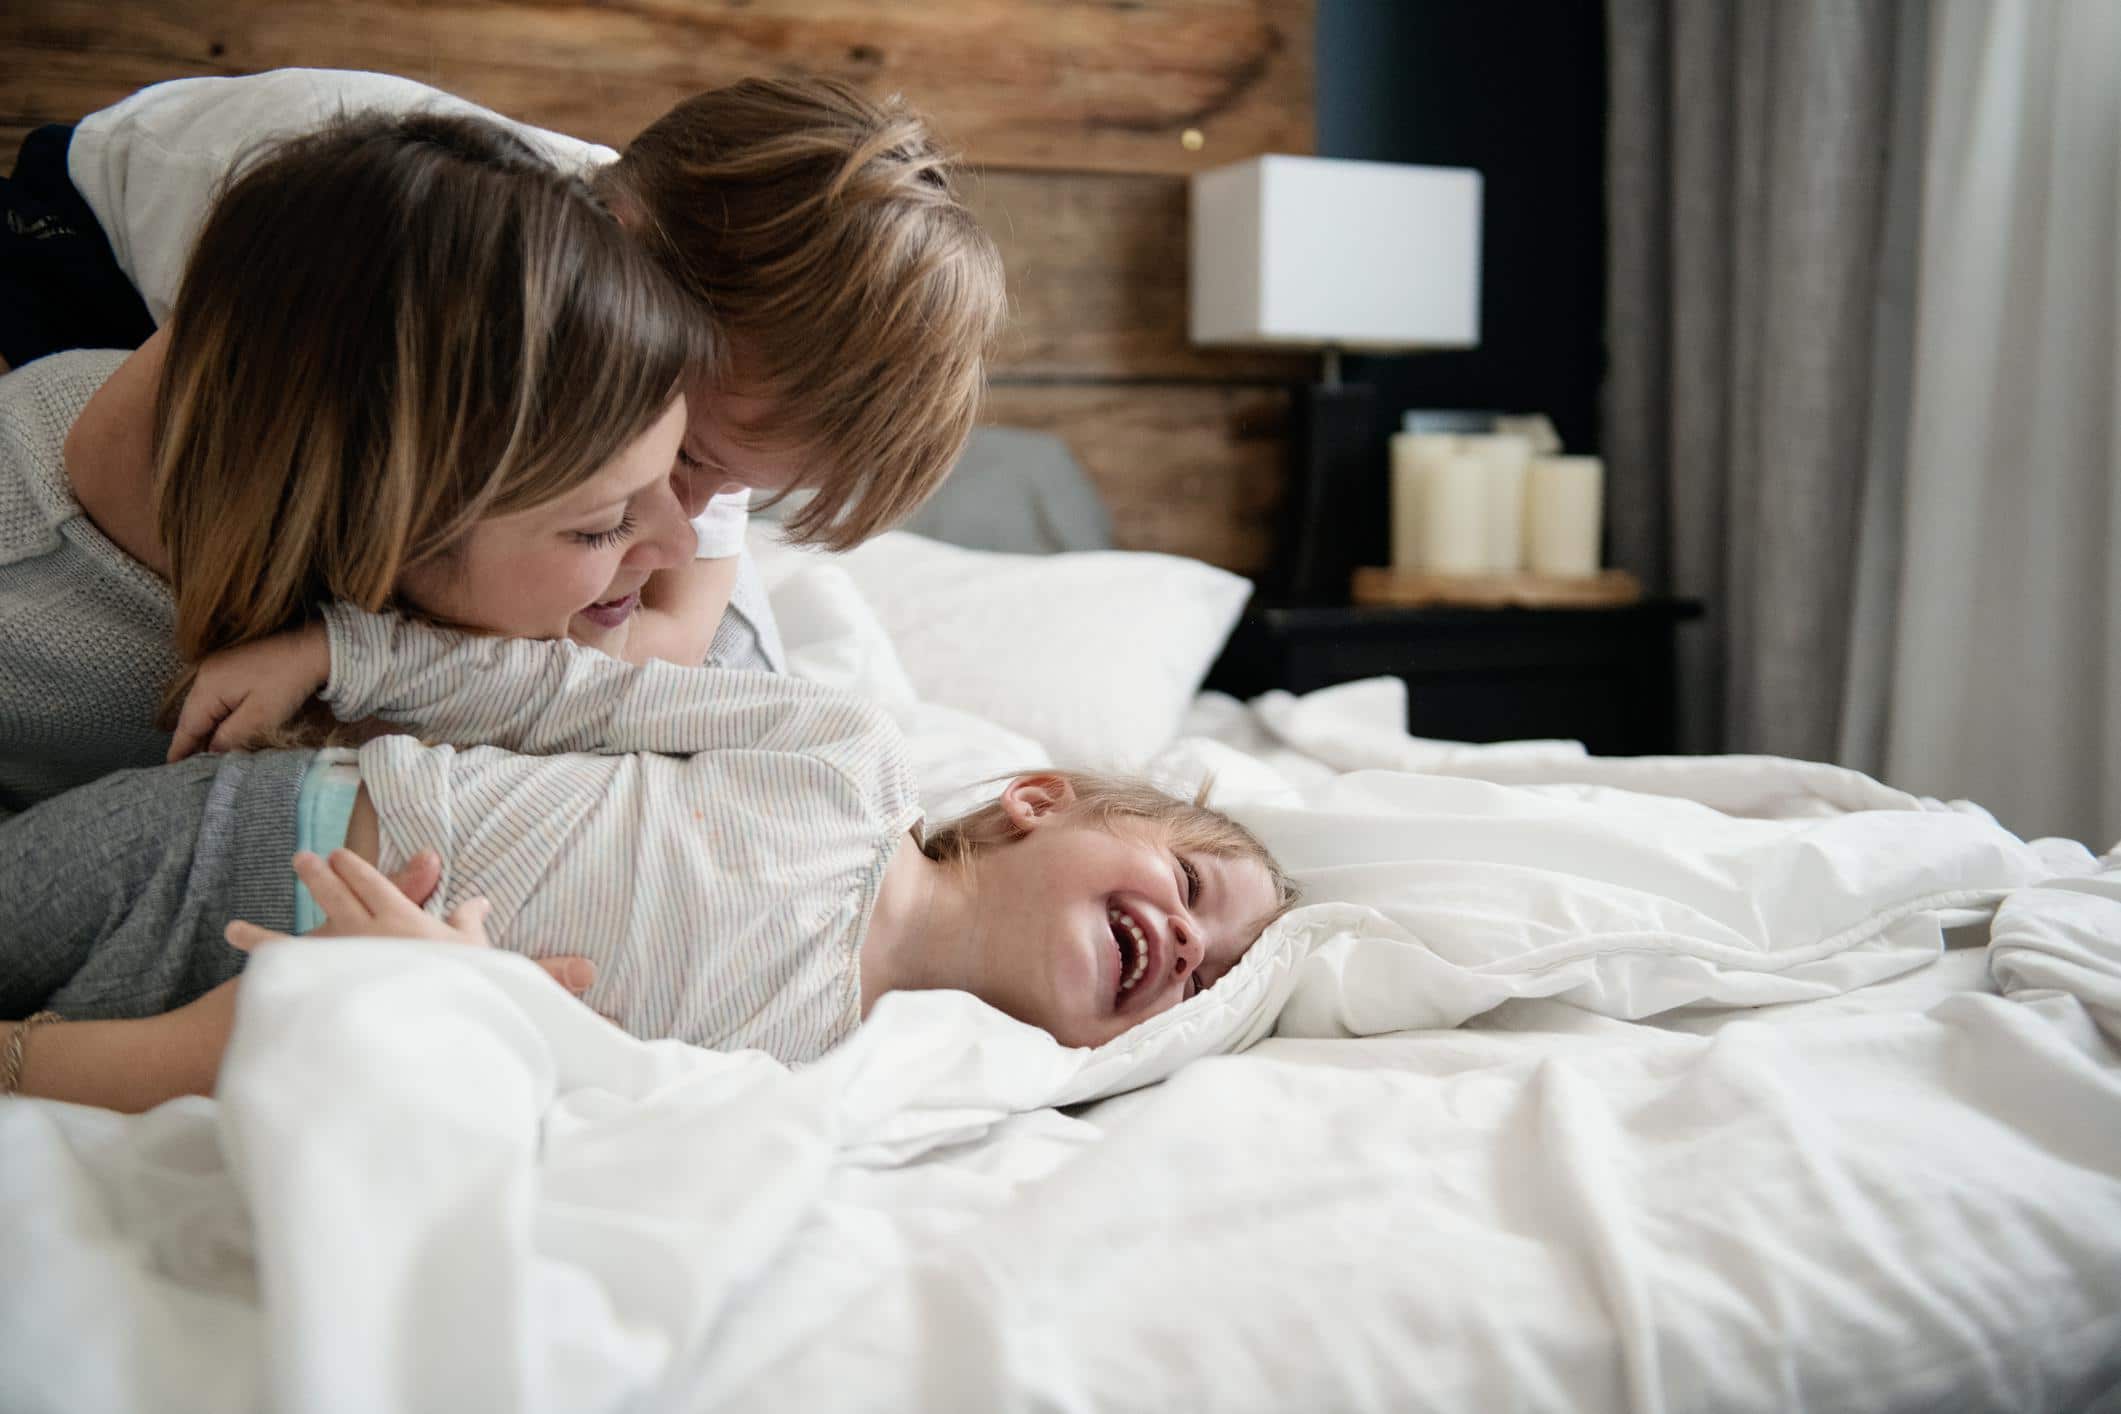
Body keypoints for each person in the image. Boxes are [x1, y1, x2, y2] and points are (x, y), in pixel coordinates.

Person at [0, 603, 1299, 1112]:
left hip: (289, 1046)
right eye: (1191, 886)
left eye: (1209, 978)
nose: (1189, 946)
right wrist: (340, 656)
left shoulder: (853, 1076)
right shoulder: (847, 758)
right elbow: (572, 693)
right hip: (250, 834)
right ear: (1034, 801)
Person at [3, 68, 1006, 669]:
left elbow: (682, 632)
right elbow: (140, 474)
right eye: (689, 457)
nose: (691, 510)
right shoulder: (362, 222)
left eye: (732, 486)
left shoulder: (735, 366)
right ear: (626, 267)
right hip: (87, 243)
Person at [0, 110, 713, 821]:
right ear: (375, 527)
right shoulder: (34, 636)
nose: (684, 545)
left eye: (676, 467)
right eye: (602, 525)